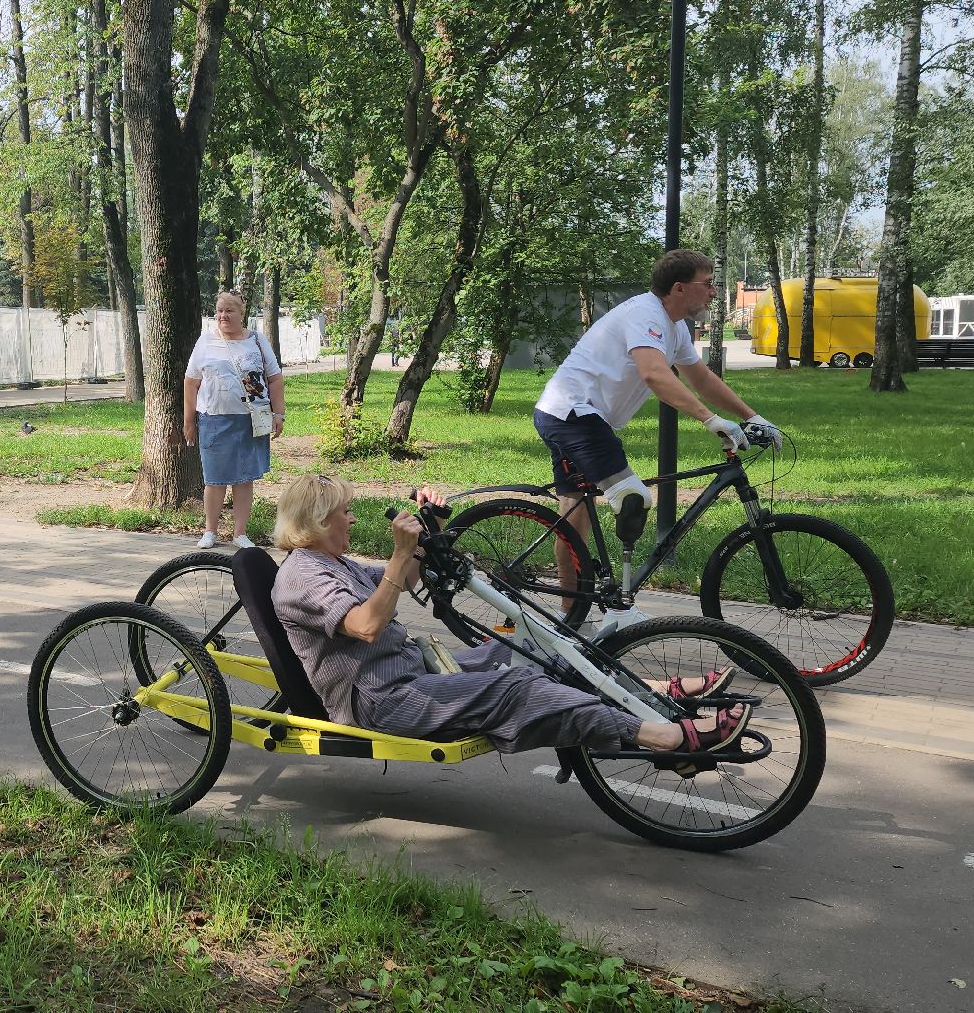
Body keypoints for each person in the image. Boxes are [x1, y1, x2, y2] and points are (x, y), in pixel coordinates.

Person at [269, 473, 747, 755]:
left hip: (411, 673)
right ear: (316, 521)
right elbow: (368, 625)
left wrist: (430, 527)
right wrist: (397, 555)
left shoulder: (333, 562)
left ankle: (649, 692)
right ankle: (663, 737)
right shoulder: (300, 577)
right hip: (380, 700)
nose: (352, 519)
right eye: (345, 512)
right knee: (515, 684)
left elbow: (405, 581)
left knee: (529, 641)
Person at [533, 249, 782, 580]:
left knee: (575, 518)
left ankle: (570, 617)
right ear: (679, 288)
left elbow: (702, 379)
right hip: (573, 414)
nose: (712, 292)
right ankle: (621, 598)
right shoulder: (645, 314)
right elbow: (654, 374)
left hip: (572, 415)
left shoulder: (675, 327)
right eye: (707, 284)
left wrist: (753, 417)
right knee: (633, 498)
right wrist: (710, 420)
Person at [183, 291, 285, 549]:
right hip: (214, 420)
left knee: (244, 478)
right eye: (219, 310)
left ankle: (240, 533)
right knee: (215, 479)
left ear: (242, 314)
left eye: (229, 311)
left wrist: (279, 414)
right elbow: (191, 382)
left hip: (250, 420)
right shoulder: (205, 342)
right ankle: (210, 531)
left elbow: (274, 379)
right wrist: (189, 421)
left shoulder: (257, 341)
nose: (223, 316)